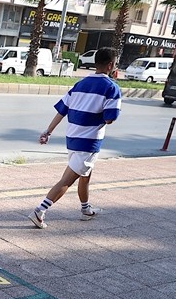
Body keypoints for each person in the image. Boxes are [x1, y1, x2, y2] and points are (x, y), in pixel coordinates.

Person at [28, 46, 122, 227]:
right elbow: (110, 119)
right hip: (89, 142)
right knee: (67, 180)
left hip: (72, 138)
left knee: (85, 174)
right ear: (111, 65)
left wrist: (48, 131)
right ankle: (40, 211)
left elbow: (62, 110)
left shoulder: (80, 84)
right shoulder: (112, 88)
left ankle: (86, 209)